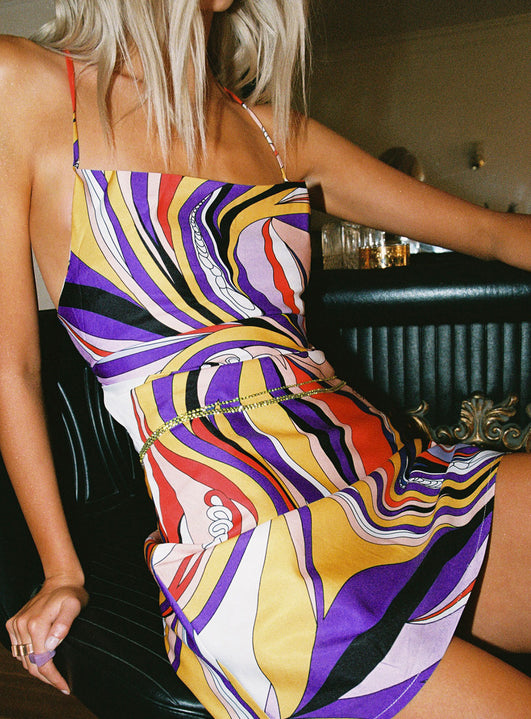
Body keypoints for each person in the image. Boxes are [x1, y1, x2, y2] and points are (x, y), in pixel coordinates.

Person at [1, 1, 530, 717]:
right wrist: (59, 568)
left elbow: (491, 233)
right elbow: (12, 368)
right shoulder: (25, 85)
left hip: (387, 470)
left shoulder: (276, 134)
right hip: (253, 536)